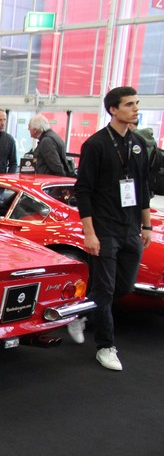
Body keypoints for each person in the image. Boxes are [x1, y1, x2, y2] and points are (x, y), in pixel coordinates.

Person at [70, 86, 152, 371]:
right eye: (129, 104)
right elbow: (83, 191)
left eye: (136, 103)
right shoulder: (95, 145)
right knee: (104, 289)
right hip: (104, 229)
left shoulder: (139, 144)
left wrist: (147, 225)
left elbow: (142, 187)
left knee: (124, 286)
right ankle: (105, 346)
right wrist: (89, 233)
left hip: (131, 229)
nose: (135, 108)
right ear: (113, 110)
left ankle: (81, 313)